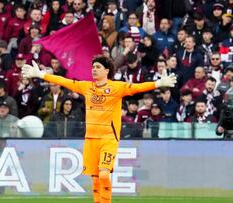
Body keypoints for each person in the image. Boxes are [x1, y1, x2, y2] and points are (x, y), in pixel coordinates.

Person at [22, 56, 176, 203]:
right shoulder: (86, 87)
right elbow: (64, 81)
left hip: (108, 139)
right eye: (93, 67)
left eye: (98, 67)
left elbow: (137, 87)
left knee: (103, 174)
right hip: (90, 140)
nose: (94, 70)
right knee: (95, 179)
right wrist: (41, 74)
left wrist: (158, 83)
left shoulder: (117, 87)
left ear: (107, 70)